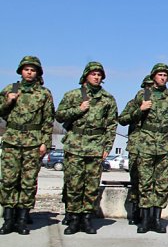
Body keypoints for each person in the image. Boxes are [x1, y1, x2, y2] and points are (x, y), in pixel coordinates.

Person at [55, 62, 118, 235]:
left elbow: (112, 125)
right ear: (86, 76)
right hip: (75, 144)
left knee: (91, 186)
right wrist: (78, 109)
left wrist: (107, 147)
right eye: (93, 74)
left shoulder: (108, 99)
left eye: (99, 74)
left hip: (96, 146)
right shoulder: (73, 95)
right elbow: (59, 115)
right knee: (74, 184)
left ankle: (87, 219)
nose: (97, 77)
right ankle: (74, 219)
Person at [118, 64, 168, 234]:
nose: (162, 77)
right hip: (145, 143)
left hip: (165, 144)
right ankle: (145, 220)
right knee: (145, 183)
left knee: (161, 185)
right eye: (160, 74)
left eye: (165, 75)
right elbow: (123, 118)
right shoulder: (143, 95)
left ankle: (157, 220)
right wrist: (140, 110)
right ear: (153, 76)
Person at [0, 56, 55, 235]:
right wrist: (8, 101)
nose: (29, 72)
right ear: (21, 71)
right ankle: (8, 219)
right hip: (12, 141)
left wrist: (45, 143)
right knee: (8, 180)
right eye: (26, 69)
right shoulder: (11, 89)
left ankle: (23, 218)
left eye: (33, 70)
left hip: (33, 142)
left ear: (38, 72)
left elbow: (48, 120)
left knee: (28, 182)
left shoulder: (44, 93)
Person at [124, 75, 153, 225]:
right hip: (136, 146)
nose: (149, 89)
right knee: (136, 179)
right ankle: (136, 211)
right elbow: (122, 119)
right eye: (147, 86)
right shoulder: (134, 103)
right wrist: (139, 111)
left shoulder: (159, 104)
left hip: (152, 147)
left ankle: (148, 213)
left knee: (150, 182)